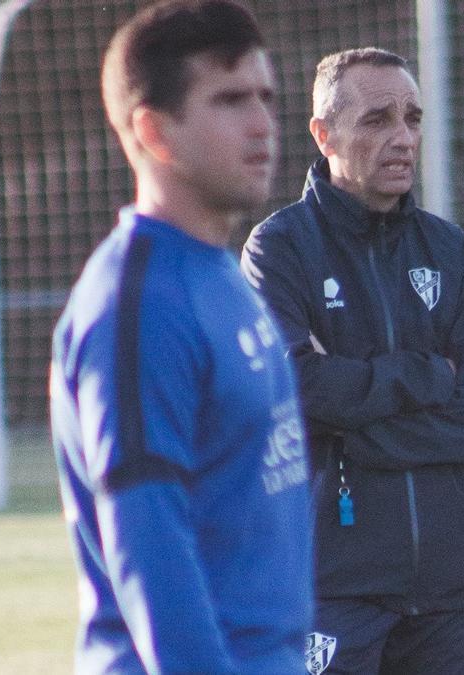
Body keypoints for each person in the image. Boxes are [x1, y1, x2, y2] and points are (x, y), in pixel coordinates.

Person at [49, 1, 312, 672]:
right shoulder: (137, 304)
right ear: (154, 131)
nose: (261, 124)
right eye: (229, 100)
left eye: (265, 97)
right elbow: (147, 543)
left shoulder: (222, 276)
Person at [241, 47, 464, 674]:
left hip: (447, 579)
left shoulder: (450, 252)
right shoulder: (279, 250)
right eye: (377, 119)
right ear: (323, 133)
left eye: (412, 119)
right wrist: (422, 374)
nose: (403, 138)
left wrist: (356, 434)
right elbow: (295, 390)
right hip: (333, 579)